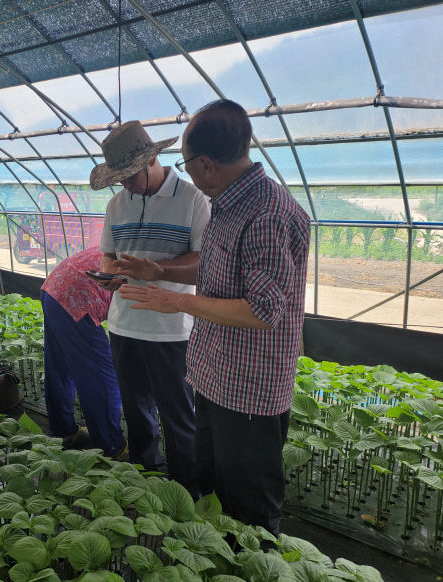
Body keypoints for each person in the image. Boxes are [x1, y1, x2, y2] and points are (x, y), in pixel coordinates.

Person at [118, 99, 310, 535]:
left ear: (205, 164)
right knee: (213, 494)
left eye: (185, 165)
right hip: (215, 377)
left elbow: (264, 311)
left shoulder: (265, 212)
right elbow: (221, 270)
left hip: (247, 393)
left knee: (249, 513)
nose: (186, 173)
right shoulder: (230, 203)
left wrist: (179, 302)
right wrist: (161, 272)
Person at [89, 120, 210, 495]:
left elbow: (204, 261)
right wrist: (108, 276)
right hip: (124, 326)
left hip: (171, 330)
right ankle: (144, 479)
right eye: (118, 177)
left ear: (153, 159)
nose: (124, 184)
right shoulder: (116, 204)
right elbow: (108, 254)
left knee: (179, 415)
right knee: (136, 411)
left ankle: (185, 490)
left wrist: (159, 270)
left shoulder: (193, 199)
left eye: (128, 176)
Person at [40, 247, 127, 459]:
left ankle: (63, 432)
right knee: (101, 377)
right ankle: (111, 447)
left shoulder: (119, 244)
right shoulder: (144, 264)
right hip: (77, 301)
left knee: (59, 365)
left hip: (52, 290)